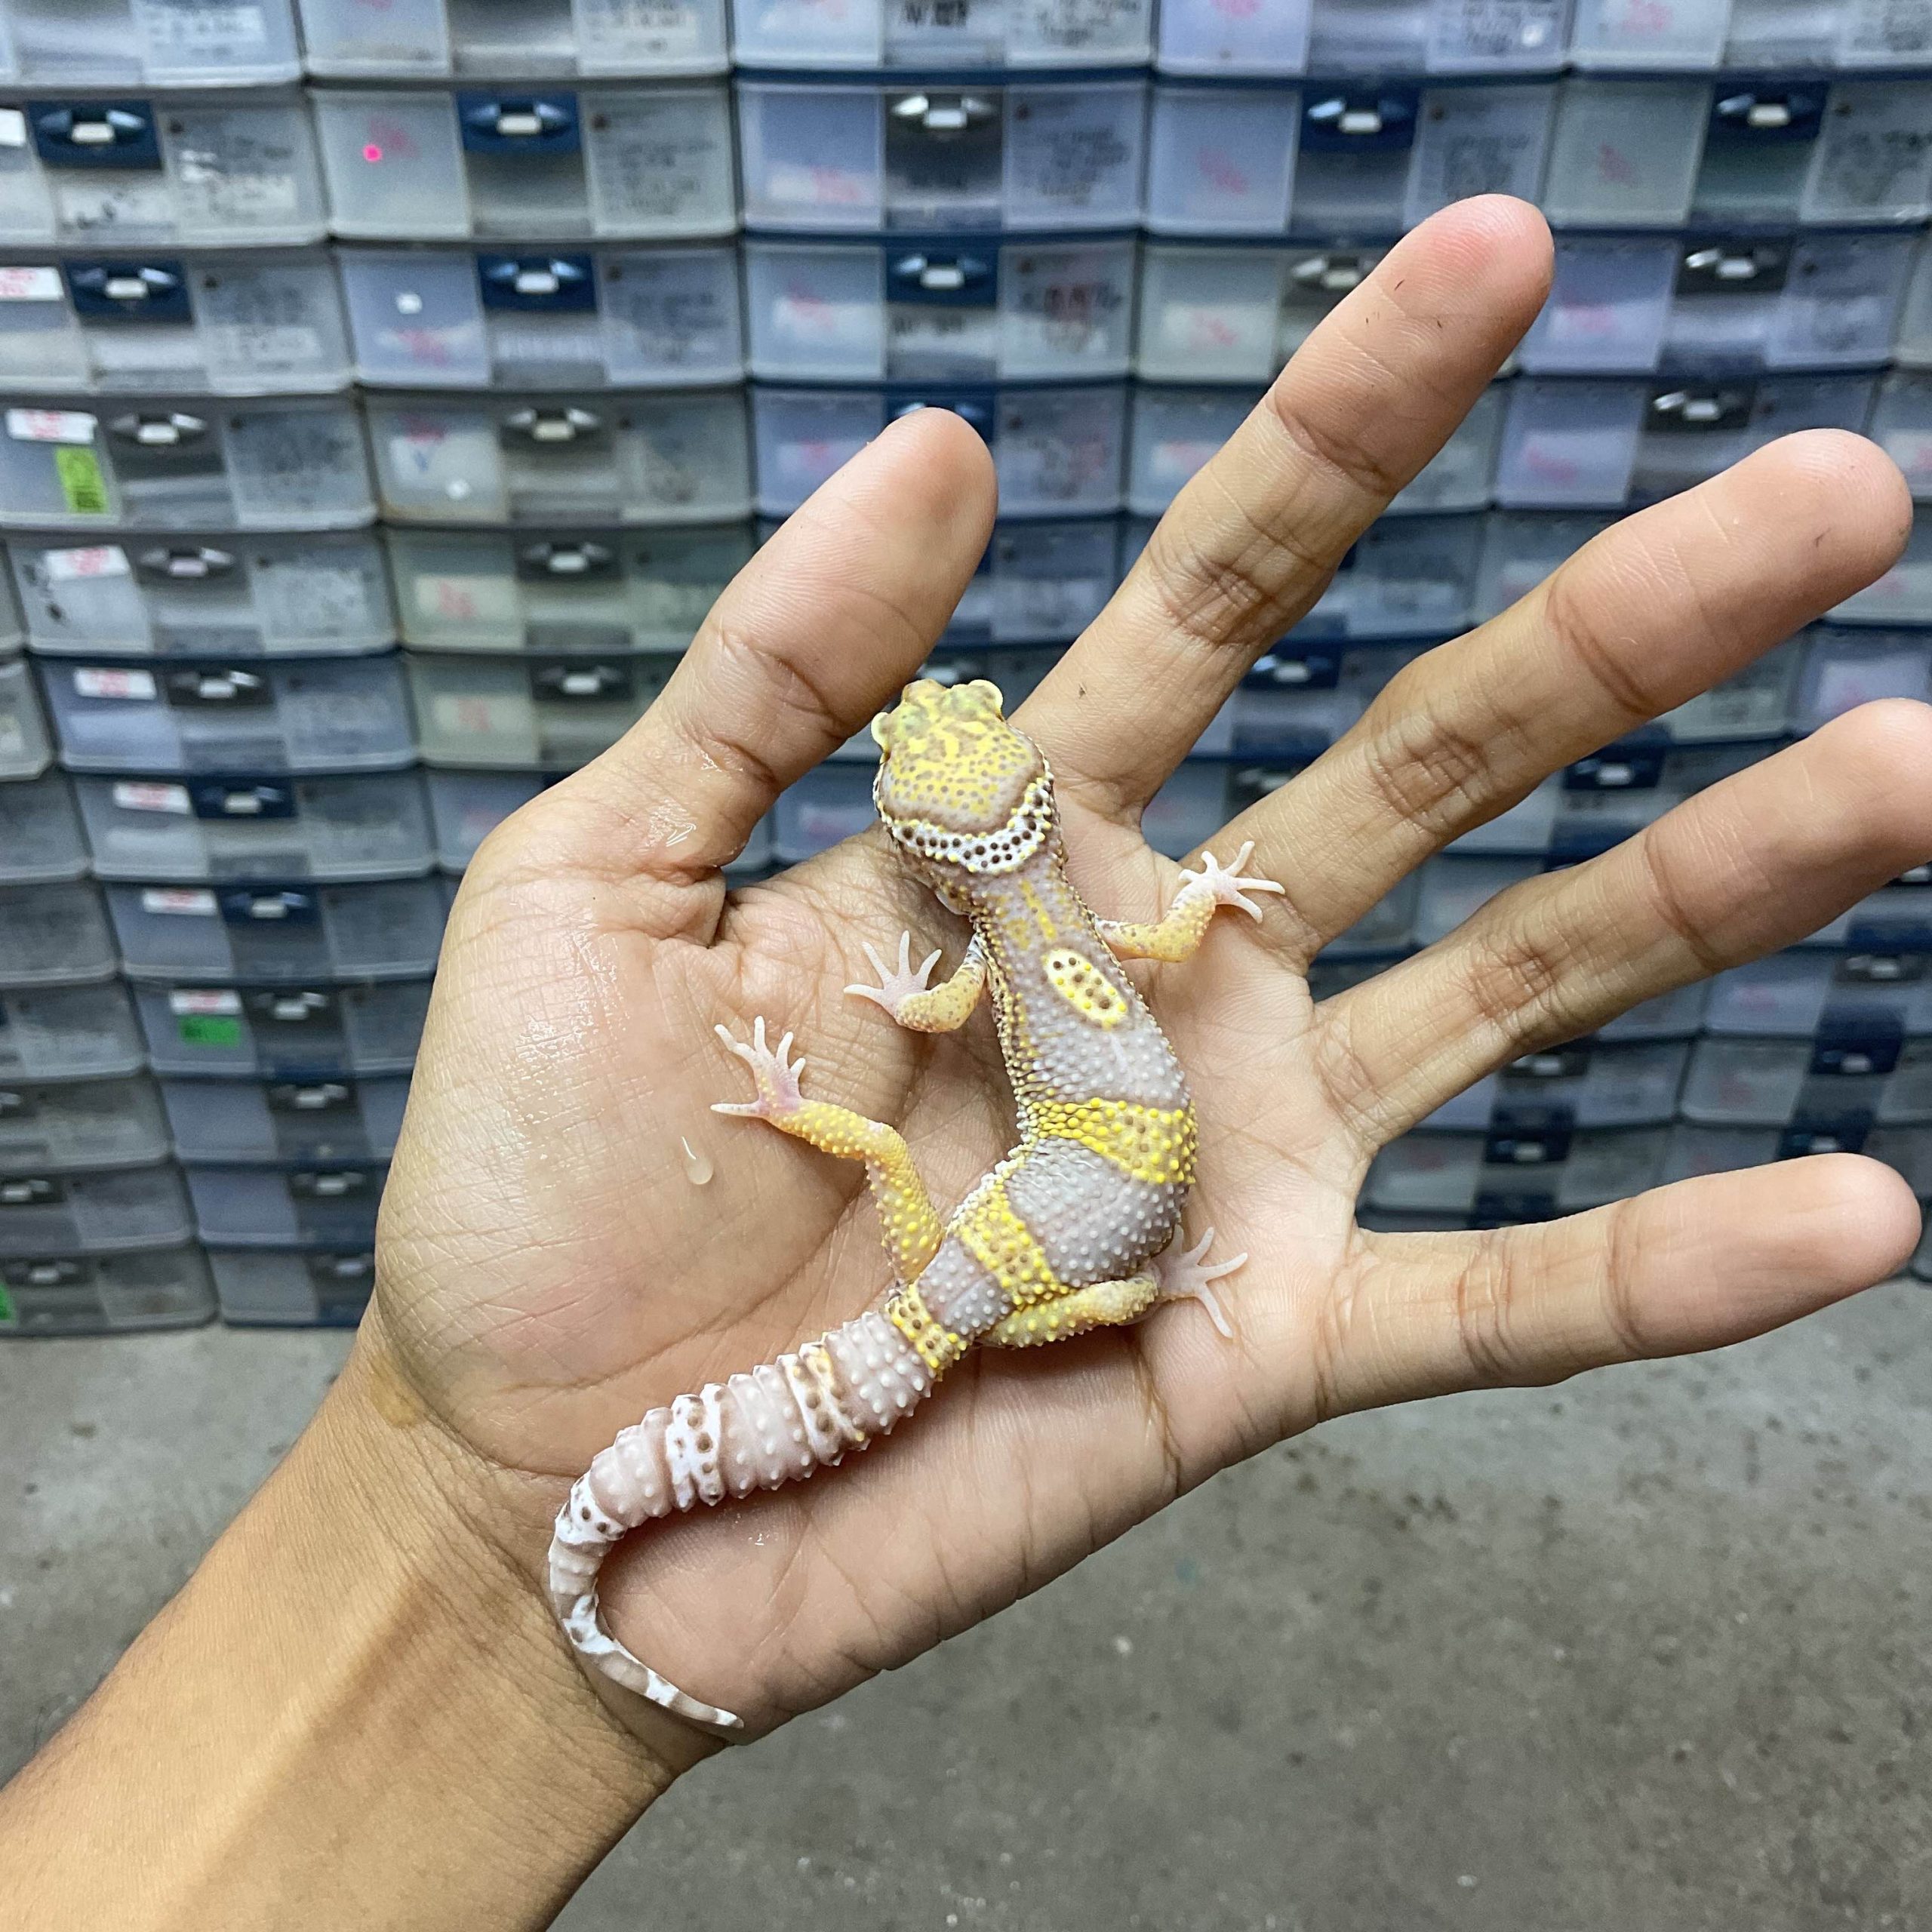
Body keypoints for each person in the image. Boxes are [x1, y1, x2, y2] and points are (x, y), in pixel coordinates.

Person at [2, 196, 1925, 1928]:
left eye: (953, 724)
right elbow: (1143, 955)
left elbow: (950, 1032)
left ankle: (620, 1521)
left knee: (896, 1178)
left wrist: (848, 1116)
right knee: (938, 1223)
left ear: (946, 841)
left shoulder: (1001, 972)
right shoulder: (1061, 935)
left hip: (1047, 1242)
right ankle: (592, 1564)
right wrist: (1190, 964)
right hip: (1060, 1228)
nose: (949, 709)